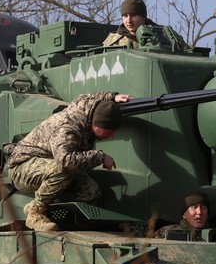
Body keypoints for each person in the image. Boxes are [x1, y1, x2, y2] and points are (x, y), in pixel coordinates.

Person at [8, 91, 130, 231]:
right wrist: (100, 157)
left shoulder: (84, 106)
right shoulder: (68, 130)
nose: (112, 135)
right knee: (63, 170)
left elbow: (88, 97)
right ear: (97, 125)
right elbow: (65, 162)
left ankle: (44, 206)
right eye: (110, 130)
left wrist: (112, 97)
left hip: (48, 165)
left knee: (91, 191)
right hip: (22, 168)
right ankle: (35, 213)